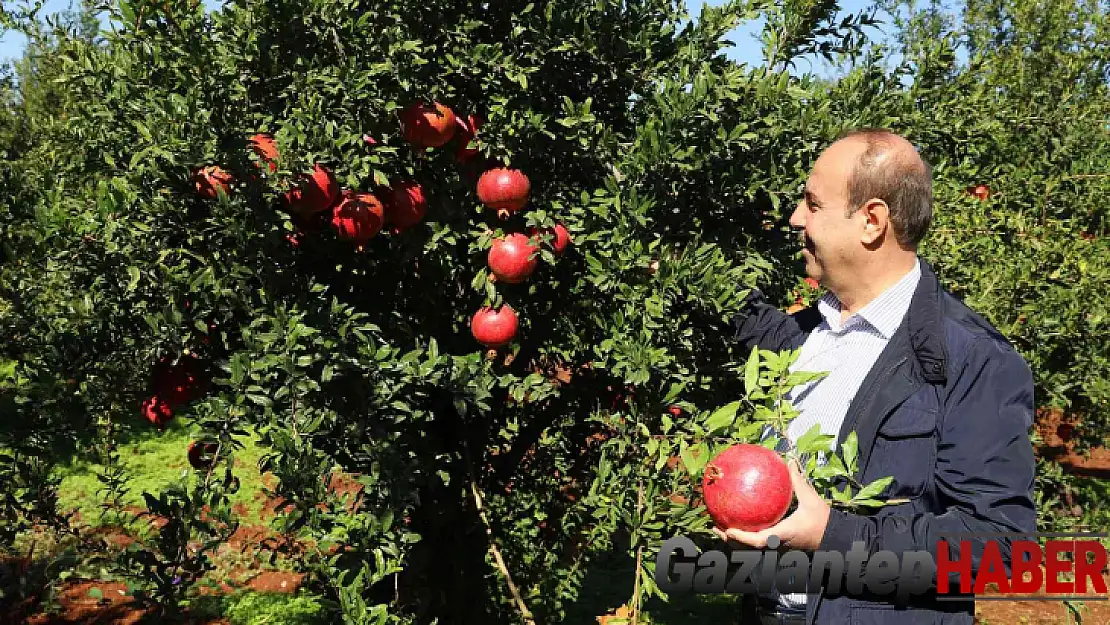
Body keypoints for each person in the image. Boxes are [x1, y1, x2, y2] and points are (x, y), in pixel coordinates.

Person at [720, 128, 1037, 625]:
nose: (796, 218)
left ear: (871, 221)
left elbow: (1000, 545)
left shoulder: (973, 359)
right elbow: (732, 310)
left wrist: (833, 534)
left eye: (813, 204)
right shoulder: (802, 335)